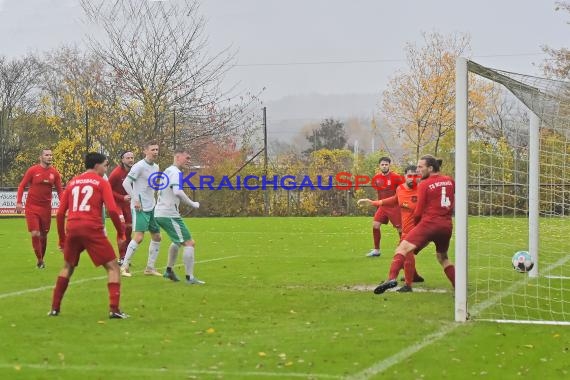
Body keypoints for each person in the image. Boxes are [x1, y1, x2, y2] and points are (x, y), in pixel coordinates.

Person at [49, 152, 128, 319]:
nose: (106, 169)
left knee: (67, 267)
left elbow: (61, 212)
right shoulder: (101, 182)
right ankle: (114, 310)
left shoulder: (72, 182)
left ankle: (55, 308)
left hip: (73, 227)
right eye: (105, 165)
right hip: (92, 228)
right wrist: (121, 233)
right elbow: (113, 210)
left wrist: (62, 238)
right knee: (113, 267)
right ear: (96, 165)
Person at [373, 155, 456, 294]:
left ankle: (391, 278)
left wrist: (417, 227)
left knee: (402, 248)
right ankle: (458, 286)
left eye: (420, 167)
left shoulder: (424, 184)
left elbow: (418, 212)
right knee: (443, 257)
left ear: (430, 168)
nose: (418, 170)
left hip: (429, 224)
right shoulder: (449, 180)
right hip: (446, 225)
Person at [358, 165, 425, 291]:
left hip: (420, 230)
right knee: (409, 254)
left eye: (416, 175)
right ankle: (410, 280)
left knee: (402, 252)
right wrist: (373, 202)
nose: (412, 178)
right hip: (408, 230)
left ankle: (395, 280)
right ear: (405, 176)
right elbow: (394, 199)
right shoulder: (400, 189)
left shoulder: (423, 189)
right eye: (410, 175)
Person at [154, 148, 204, 285]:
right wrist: (192, 204)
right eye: (186, 158)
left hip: (161, 213)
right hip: (168, 214)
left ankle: (169, 270)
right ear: (177, 157)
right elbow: (177, 191)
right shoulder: (175, 172)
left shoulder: (167, 170)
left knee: (177, 241)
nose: (188, 160)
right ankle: (190, 278)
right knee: (189, 242)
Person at [120, 141, 162, 277]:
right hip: (140, 207)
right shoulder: (139, 166)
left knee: (157, 236)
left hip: (152, 206)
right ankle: (124, 266)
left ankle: (150, 268)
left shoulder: (156, 167)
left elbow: (152, 185)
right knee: (138, 237)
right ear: (145, 151)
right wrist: (135, 199)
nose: (155, 152)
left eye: (157, 149)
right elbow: (126, 183)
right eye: (153, 149)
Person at [16, 149, 63, 269]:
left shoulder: (55, 173)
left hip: (46, 209)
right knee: (35, 233)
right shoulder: (33, 170)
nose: (49, 157)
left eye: (51, 155)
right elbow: (22, 185)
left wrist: (64, 205)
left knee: (43, 235)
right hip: (32, 207)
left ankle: (41, 260)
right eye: (47, 155)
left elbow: (60, 192)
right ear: (40, 157)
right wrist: (19, 202)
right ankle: (40, 260)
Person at [365, 156, 404, 257]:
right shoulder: (376, 178)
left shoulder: (396, 177)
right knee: (375, 225)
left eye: (386, 164)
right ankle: (376, 250)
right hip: (382, 207)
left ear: (389, 166)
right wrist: (378, 205)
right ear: (379, 166)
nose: (384, 166)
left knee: (400, 230)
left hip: (395, 207)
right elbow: (379, 193)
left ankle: (404, 249)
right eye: (382, 164)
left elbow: (403, 191)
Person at [108, 150, 135, 263]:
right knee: (122, 228)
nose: (130, 160)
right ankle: (122, 257)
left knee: (129, 229)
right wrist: (121, 197)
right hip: (116, 204)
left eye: (132, 157)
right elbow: (108, 189)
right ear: (122, 160)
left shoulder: (135, 172)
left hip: (128, 205)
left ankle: (126, 257)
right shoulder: (116, 173)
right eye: (127, 158)